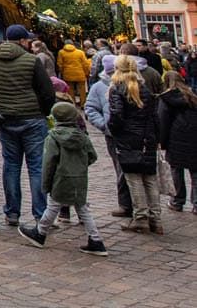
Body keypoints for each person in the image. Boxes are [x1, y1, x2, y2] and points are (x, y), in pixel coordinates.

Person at [0, 24, 55, 227]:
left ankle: (12, 212)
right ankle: (40, 213)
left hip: (5, 118)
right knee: (36, 166)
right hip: (32, 118)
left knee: (11, 165)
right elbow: (47, 91)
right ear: (22, 41)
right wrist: (43, 111)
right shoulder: (31, 60)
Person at [16, 101, 108, 255]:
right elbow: (92, 156)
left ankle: (40, 232)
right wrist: (79, 166)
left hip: (61, 178)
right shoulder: (82, 136)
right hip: (79, 178)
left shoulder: (53, 137)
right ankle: (96, 239)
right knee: (83, 208)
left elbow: (49, 162)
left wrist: (46, 183)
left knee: (53, 206)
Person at [108, 53, 162, 233]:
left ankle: (140, 217)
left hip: (128, 137)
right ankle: (156, 218)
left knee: (133, 177)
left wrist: (114, 131)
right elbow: (154, 115)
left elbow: (116, 115)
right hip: (147, 137)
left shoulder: (118, 87)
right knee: (149, 177)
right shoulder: (144, 87)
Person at [84, 54, 133, 218]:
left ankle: (138, 204)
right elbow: (90, 108)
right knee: (120, 167)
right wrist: (104, 125)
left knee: (136, 168)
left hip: (134, 132)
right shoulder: (99, 87)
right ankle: (126, 204)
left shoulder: (132, 83)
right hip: (113, 134)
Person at [157, 69, 197, 212]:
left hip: (175, 138)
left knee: (176, 169)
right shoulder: (192, 96)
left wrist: (162, 141)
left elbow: (163, 121)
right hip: (193, 137)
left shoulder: (166, 98)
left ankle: (177, 200)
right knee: (195, 171)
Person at [57, 39, 91, 106]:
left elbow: (60, 64)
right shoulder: (80, 52)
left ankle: (73, 103)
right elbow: (85, 64)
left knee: (70, 89)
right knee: (82, 90)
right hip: (80, 73)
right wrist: (86, 73)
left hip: (67, 74)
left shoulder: (61, 52)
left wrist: (62, 72)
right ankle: (83, 104)